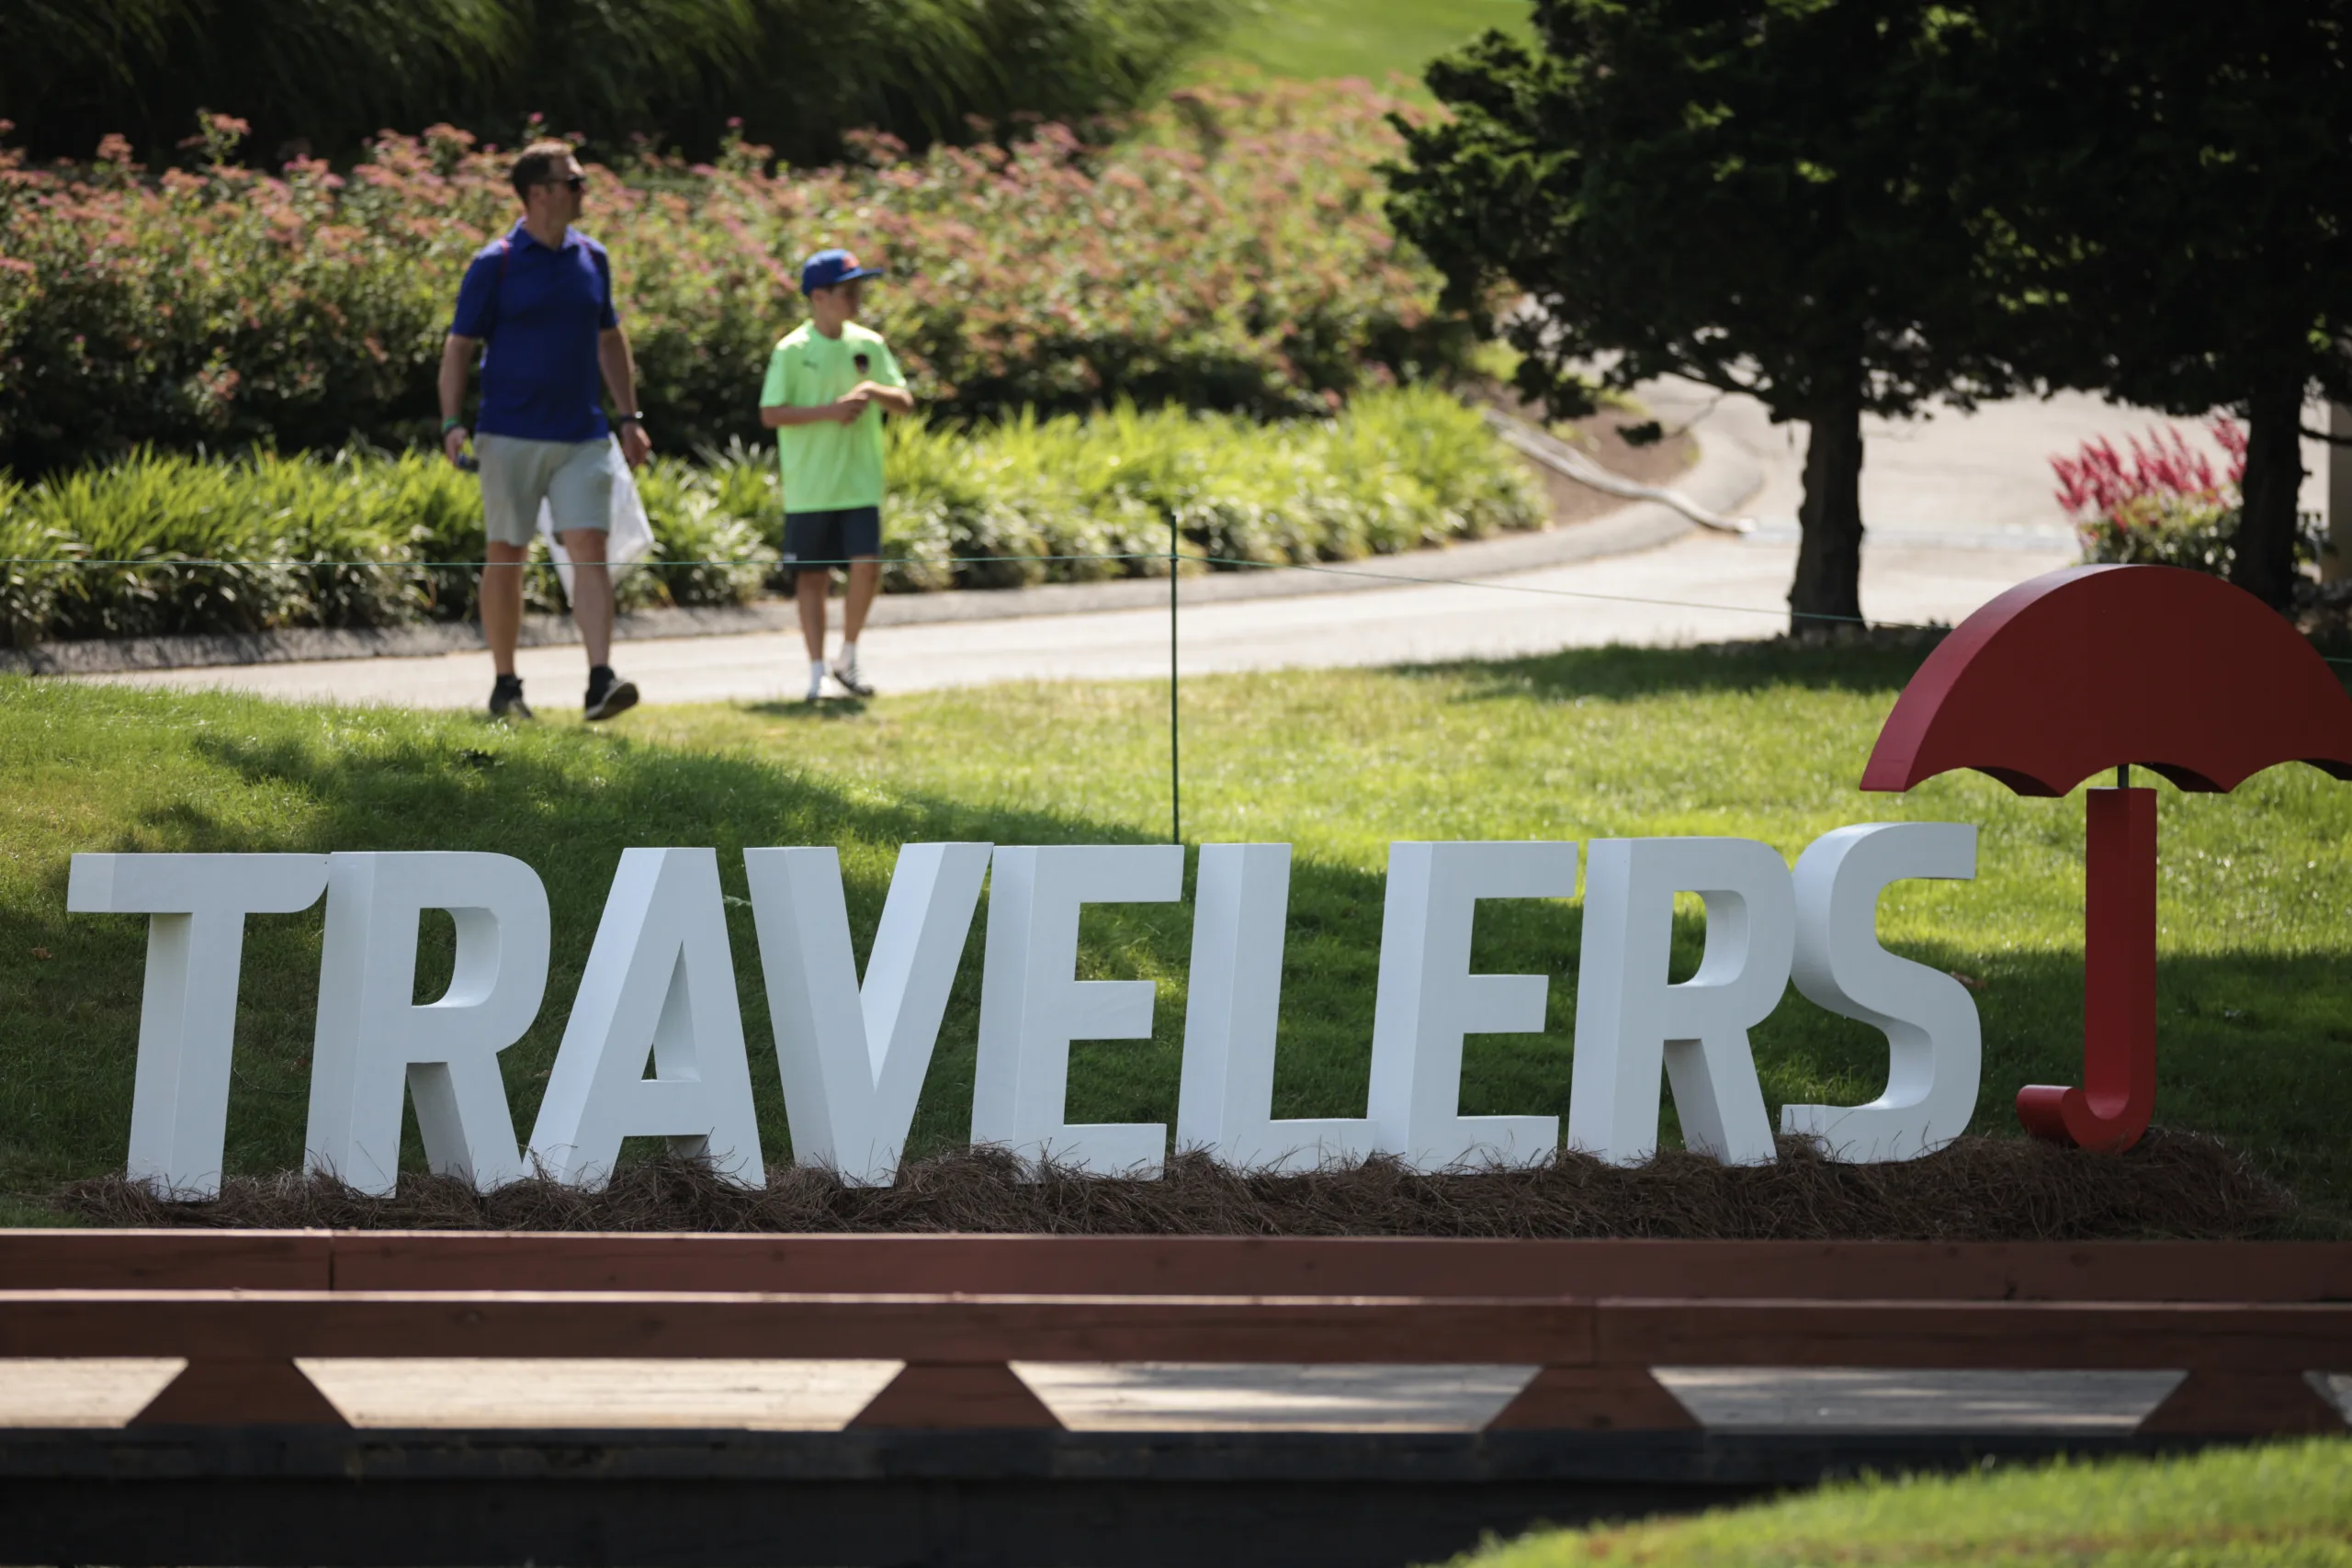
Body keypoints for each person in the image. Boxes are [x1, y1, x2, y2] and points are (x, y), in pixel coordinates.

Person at [440, 140, 650, 722]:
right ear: (540, 193)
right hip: (508, 433)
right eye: (574, 181)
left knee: (590, 548)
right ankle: (507, 686)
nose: (584, 190)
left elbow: (610, 338)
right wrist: (452, 423)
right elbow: (459, 348)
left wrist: (630, 420)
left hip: (583, 434)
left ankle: (599, 682)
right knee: (506, 554)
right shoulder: (496, 262)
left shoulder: (593, 257)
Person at [759, 248, 915, 703]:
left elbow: (904, 402)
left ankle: (847, 657)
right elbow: (770, 414)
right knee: (812, 579)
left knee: (867, 566)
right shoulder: (791, 350)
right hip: (810, 489)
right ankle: (815, 673)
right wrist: (829, 411)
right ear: (820, 296)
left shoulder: (869, 343)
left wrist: (872, 389)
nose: (857, 297)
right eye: (849, 290)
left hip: (860, 483)